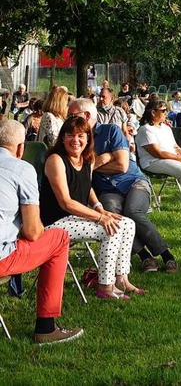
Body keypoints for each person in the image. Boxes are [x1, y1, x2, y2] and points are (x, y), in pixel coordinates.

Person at [69, 98, 179, 275]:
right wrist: (104, 158)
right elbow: (79, 171)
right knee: (112, 213)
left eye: (72, 115)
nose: (69, 120)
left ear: (86, 115)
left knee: (132, 211)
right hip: (106, 190)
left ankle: (166, 255)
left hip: (134, 182)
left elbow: (122, 166)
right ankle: (145, 257)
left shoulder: (110, 130)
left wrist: (92, 165)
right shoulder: (75, 139)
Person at [0, 120, 84, 344]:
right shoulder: (21, 168)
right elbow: (33, 232)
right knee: (58, 237)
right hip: (2, 258)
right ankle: (46, 327)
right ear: (20, 148)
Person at [40, 116, 142, 300]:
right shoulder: (55, 160)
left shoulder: (87, 159)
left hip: (73, 218)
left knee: (127, 224)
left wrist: (99, 208)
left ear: (88, 138)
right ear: (62, 138)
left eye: (81, 136)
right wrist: (99, 218)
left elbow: (87, 188)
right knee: (111, 230)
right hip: (55, 222)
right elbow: (65, 202)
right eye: (70, 135)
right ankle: (105, 286)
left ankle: (121, 279)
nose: (76, 140)